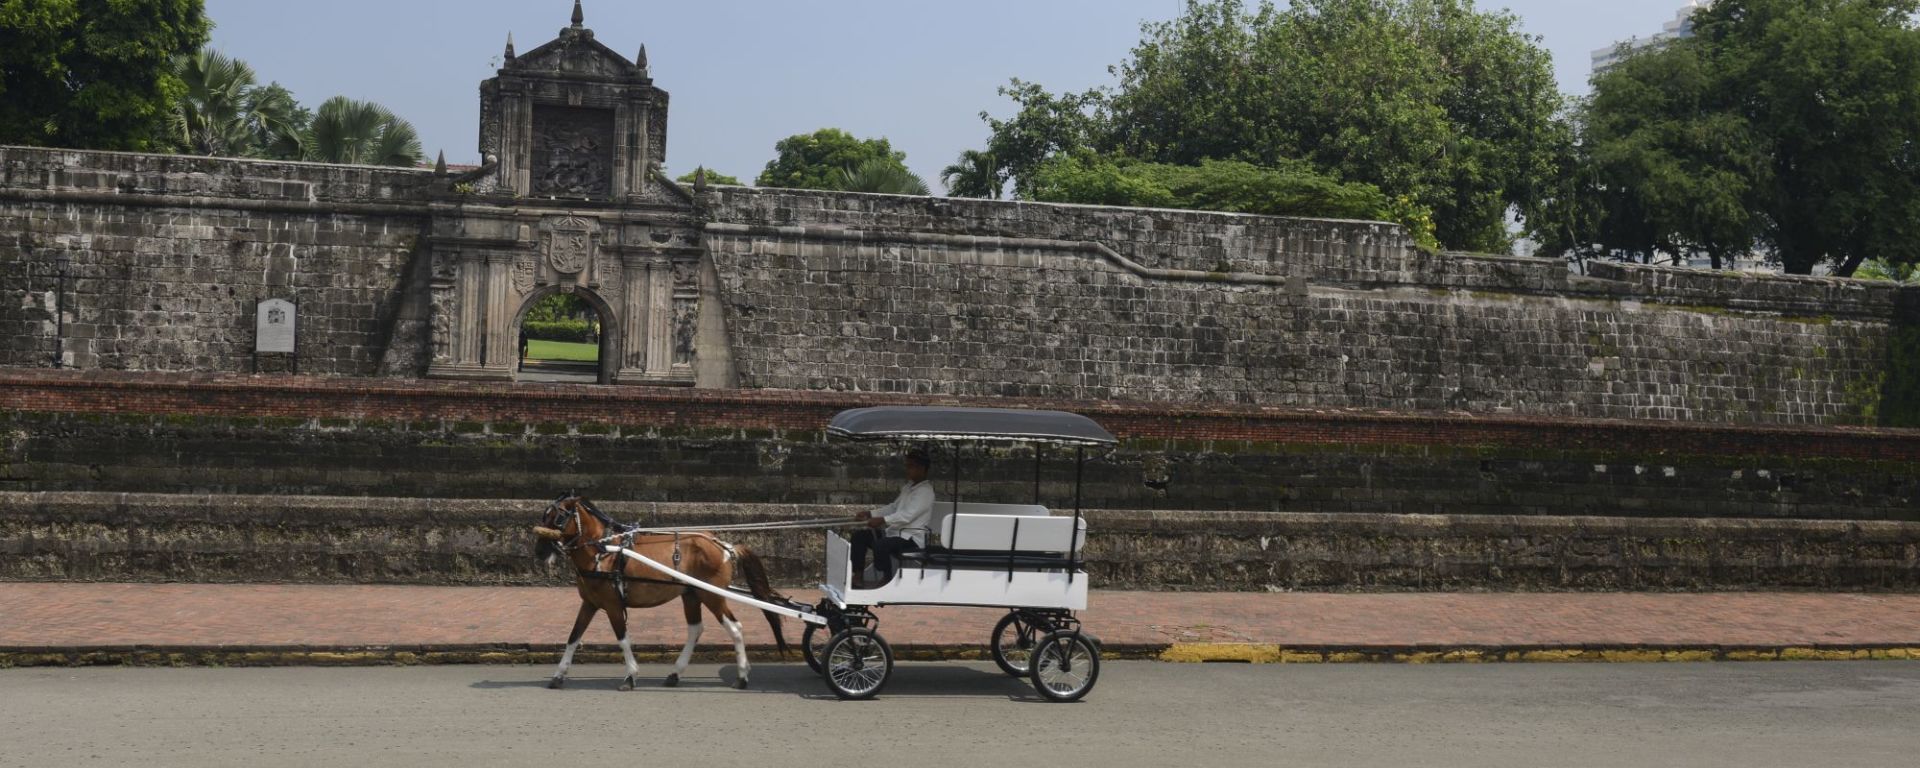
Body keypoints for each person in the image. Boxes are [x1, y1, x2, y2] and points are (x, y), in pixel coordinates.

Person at [850, 448, 935, 588]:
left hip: (911, 538)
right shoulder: (908, 487)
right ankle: (858, 576)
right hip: (895, 533)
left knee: (881, 545)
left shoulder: (925, 492)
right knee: (860, 536)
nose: (907, 470)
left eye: (911, 466)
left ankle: (887, 578)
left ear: (922, 468)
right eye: (907, 466)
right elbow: (894, 507)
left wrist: (883, 520)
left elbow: (907, 516)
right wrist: (870, 513)